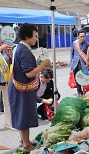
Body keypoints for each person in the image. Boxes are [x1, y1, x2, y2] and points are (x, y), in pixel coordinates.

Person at [8, 23, 51, 152]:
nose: (36, 39)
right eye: (34, 36)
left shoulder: (19, 47)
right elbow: (29, 73)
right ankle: (26, 144)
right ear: (27, 36)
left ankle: (23, 140)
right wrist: (43, 65)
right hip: (21, 89)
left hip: (18, 87)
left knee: (21, 115)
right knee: (24, 116)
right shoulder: (24, 51)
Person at [71, 30, 89, 96]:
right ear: (78, 37)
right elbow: (72, 53)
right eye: (81, 37)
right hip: (76, 63)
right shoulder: (74, 43)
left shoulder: (87, 44)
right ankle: (79, 91)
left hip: (83, 64)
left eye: (84, 37)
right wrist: (72, 63)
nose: (82, 38)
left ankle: (85, 91)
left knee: (84, 78)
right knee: (77, 78)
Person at [0, 39, 13, 129]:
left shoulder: (5, 51)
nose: (2, 43)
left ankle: (8, 123)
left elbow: (11, 62)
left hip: (5, 80)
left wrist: (10, 52)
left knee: (7, 102)